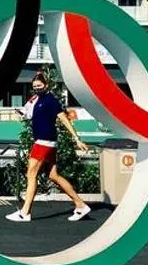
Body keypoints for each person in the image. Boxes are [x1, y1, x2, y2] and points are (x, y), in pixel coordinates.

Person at [6, 72, 92, 223]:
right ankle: (80, 205)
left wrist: (76, 138)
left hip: (44, 142)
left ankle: (24, 213)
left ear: (46, 85)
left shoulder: (50, 100)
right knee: (53, 175)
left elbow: (64, 118)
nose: (37, 89)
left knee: (31, 174)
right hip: (46, 142)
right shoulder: (37, 100)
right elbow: (30, 114)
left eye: (39, 86)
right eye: (34, 87)